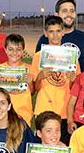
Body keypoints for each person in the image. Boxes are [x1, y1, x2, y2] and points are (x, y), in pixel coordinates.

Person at [31, 16, 79, 145]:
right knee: (44, 150)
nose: (55, 35)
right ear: (46, 33)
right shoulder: (38, 57)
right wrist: (40, 77)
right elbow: (34, 89)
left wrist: (73, 80)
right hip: (44, 110)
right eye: (51, 32)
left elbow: (76, 89)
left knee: (62, 149)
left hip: (63, 111)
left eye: (58, 31)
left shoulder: (71, 57)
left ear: (63, 32)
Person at [35, 0, 84, 71]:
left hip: (78, 82)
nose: (69, 14)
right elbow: (38, 69)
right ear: (56, 15)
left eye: (72, 11)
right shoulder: (45, 39)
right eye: (64, 11)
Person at [0, 34, 35, 125]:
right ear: (5, 50)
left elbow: (32, 92)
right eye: (11, 49)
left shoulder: (29, 68)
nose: (14, 53)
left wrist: (30, 82)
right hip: (3, 114)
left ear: (23, 51)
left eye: (18, 49)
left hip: (23, 114)